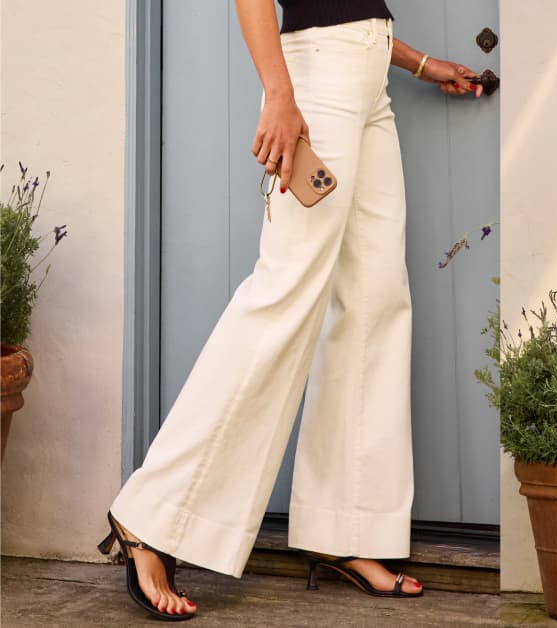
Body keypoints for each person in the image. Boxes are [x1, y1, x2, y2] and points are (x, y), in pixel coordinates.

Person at [98, 0, 484, 620]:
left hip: (367, 81)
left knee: (374, 301)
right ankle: (151, 516)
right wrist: (279, 94)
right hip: (317, 81)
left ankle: (344, 528)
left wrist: (416, 62)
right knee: (283, 296)